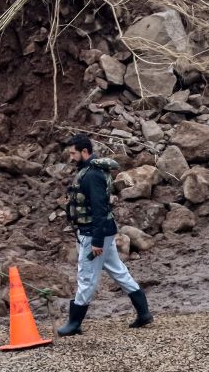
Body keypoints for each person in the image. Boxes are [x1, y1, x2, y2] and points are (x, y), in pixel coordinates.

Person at [57, 133, 150, 337]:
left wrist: (97, 242)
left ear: (85, 151)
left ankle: (74, 322)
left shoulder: (91, 175)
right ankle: (144, 313)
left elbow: (99, 210)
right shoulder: (89, 171)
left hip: (94, 234)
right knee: (118, 271)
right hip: (100, 232)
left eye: (73, 153)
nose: (71, 157)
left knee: (86, 276)